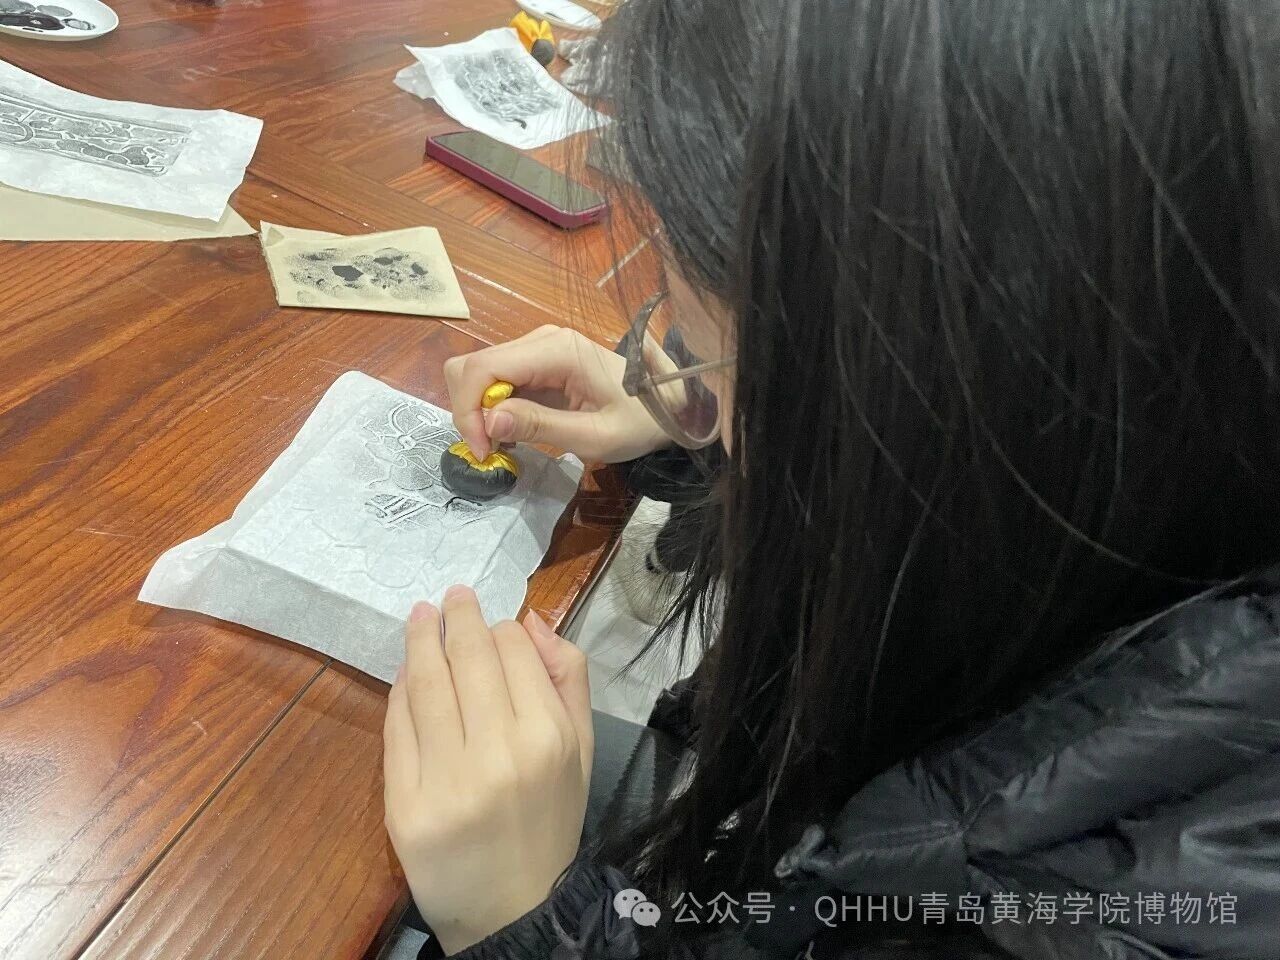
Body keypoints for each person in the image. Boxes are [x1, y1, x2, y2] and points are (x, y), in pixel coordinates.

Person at [381, 0, 1280, 957]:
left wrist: (524, 927)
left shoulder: (1071, 915)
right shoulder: (1140, 510)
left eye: (709, 344)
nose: (685, 374)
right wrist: (691, 417)